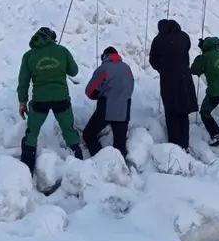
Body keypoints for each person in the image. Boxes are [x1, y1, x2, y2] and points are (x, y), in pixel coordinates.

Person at [17, 27, 82, 174]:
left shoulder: (28, 56)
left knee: (32, 132)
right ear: (52, 37)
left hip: (40, 100)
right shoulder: (62, 51)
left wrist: (22, 102)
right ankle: (79, 160)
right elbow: (74, 71)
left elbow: (23, 82)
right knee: (68, 129)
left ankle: (27, 168)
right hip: (61, 98)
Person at [149, 19, 198, 152]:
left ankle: (175, 146)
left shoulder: (159, 40)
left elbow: (152, 60)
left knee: (171, 113)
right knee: (183, 112)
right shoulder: (184, 36)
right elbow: (187, 47)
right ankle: (185, 144)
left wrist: (163, 68)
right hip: (184, 78)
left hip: (168, 79)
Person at [83, 47, 135, 157]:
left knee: (88, 134)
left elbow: (89, 91)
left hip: (106, 109)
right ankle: (121, 170)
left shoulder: (104, 68)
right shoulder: (127, 68)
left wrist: (99, 95)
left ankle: (100, 160)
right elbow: (130, 87)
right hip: (124, 111)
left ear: (105, 56)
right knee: (120, 147)